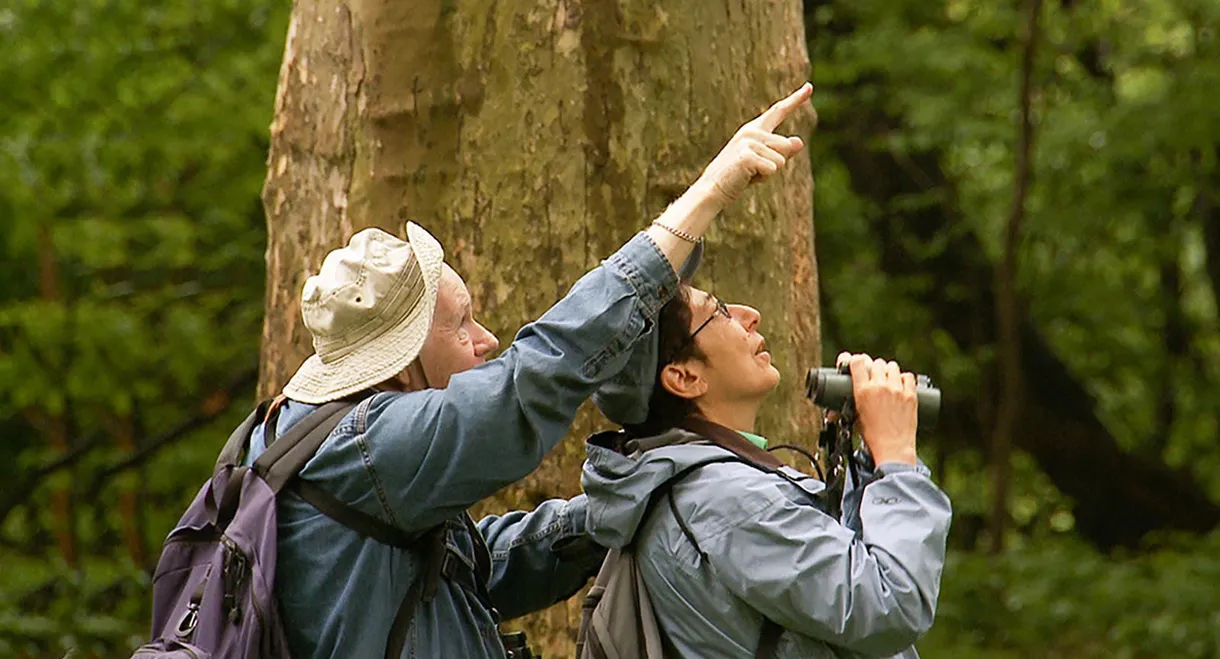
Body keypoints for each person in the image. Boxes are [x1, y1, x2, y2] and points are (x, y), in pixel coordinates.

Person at [241, 83, 816, 658]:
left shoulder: (317, 439)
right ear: (404, 355)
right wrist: (708, 194)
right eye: (461, 323)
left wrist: (622, 507)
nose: (485, 340)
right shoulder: (370, 446)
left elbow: (476, 571)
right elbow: (534, 377)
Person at [582, 285, 953, 658]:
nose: (750, 315)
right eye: (721, 311)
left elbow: (847, 585)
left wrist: (871, 460)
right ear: (686, 378)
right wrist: (896, 456)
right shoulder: (723, 499)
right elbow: (890, 606)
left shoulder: (701, 486)